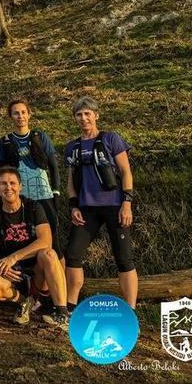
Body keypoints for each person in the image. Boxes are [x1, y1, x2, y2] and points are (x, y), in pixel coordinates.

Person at [63, 96, 137, 308]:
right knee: (73, 254)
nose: (84, 118)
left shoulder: (111, 139)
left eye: (88, 114)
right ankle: (69, 306)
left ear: (96, 115)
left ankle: (130, 309)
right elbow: (71, 182)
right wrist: (73, 206)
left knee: (124, 258)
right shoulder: (72, 147)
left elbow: (125, 172)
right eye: (79, 114)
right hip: (87, 209)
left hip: (114, 206)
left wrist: (127, 203)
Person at [0, 168, 69, 327]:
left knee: (49, 254)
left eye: (12, 183)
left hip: (36, 269)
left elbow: (46, 241)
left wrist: (13, 257)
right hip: (12, 272)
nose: (8, 188)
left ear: (20, 186)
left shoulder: (33, 207)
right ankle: (25, 302)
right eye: (3, 183)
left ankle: (62, 313)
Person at [0, 99, 62, 255]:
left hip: (44, 194)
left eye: (23, 112)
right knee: (27, 239)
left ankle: (60, 278)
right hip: (21, 198)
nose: (20, 116)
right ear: (10, 116)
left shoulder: (40, 136)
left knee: (54, 241)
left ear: (29, 114)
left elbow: (53, 166)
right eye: (16, 113)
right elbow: (2, 172)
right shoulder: (5, 141)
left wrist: (56, 191)